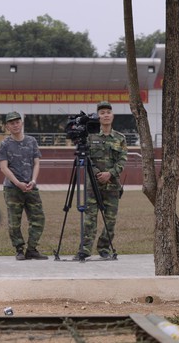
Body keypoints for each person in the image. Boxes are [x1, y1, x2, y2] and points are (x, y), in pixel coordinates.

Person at [77, 101, 128, 260]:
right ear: (98, 117)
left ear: (112, 116)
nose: (105, 115)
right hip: (93, 185)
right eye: (102, 113)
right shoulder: (90, 137)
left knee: (110, 221)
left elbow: (122, 160)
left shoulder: (120, 138)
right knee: (90, 219)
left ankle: (104, 248)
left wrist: (110, 174)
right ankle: (85, 250)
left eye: (108, 112)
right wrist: (98, 173)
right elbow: (86, 158)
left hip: (112, 186)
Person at [0, 111, 47, 260]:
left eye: (17, 122)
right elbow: (4, 168)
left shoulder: (31, 141)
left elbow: (37, 162)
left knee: (38, 218)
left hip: (31, 187)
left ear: (22, 123)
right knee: (14, 221)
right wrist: (18, 183)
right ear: (7, 126)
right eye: (12, 123)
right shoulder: (4, 144)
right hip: (12, 188)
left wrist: (33, 180)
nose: (15, 125)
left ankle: (32, 249)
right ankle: (19, 249)